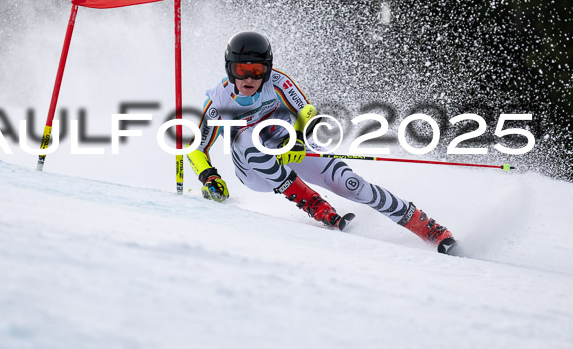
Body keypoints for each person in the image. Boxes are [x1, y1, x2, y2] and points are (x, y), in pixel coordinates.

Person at [187, 31, 456, 253]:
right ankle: (313, 204)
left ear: (267, 70)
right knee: (247, 136)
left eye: (256, 71)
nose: (249, 79)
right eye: (241, 70)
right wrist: (209, 177)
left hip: (287, 145)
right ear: (229, 69)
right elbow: (196, 149)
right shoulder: (218, 102)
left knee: (350, 183)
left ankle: (426, 227)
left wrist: (298, 140)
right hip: (252, 169)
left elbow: (306, 113)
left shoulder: (278, 82)